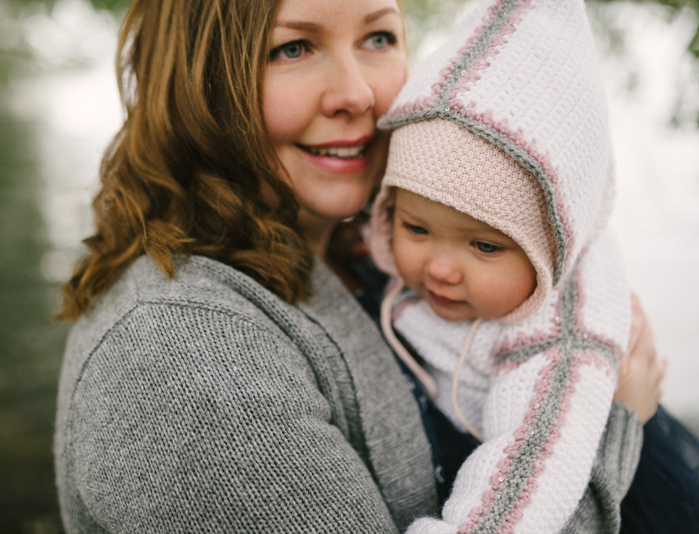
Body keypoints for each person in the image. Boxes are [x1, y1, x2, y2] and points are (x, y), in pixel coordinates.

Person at [53, 0, 664, 531]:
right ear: (199, 81)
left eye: (378, 38)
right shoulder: (180, 358)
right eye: (292, 48)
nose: (358, 94)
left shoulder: (378, 251)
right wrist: (611, 431)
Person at [368, 0, 699, 532]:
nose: (441, 269)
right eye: (415, 229)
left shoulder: (562, 336)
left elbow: (532, 464)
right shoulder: (414, 257)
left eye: (485, 247)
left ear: (554, 246)